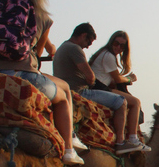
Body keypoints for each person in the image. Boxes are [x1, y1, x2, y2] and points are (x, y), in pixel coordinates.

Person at [0, 0, 84, 165]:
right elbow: (35, 55)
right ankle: (69, 148)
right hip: (22, 75)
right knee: (65, 94)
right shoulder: (42, 16)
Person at [53, 23, 148, 154]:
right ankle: (121, 142)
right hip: (81, 91)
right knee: (122, 102)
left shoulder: (62, 47)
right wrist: (130, 79)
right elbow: (91, 76)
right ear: (83, 36)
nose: (88, 46)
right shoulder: (75, 49)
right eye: (89, 42)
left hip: (67, 90)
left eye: (122, 46)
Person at [88, 31, 149, 153]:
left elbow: (113, 79)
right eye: (116, 43)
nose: (118, 47)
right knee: (135, 102)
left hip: (100, 87)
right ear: (111, 42)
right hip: (98, 88)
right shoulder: (108, 56)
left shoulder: (105, 54)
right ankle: (132, 139)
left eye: (122, 46)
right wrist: (129, 79)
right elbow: (117, 78)